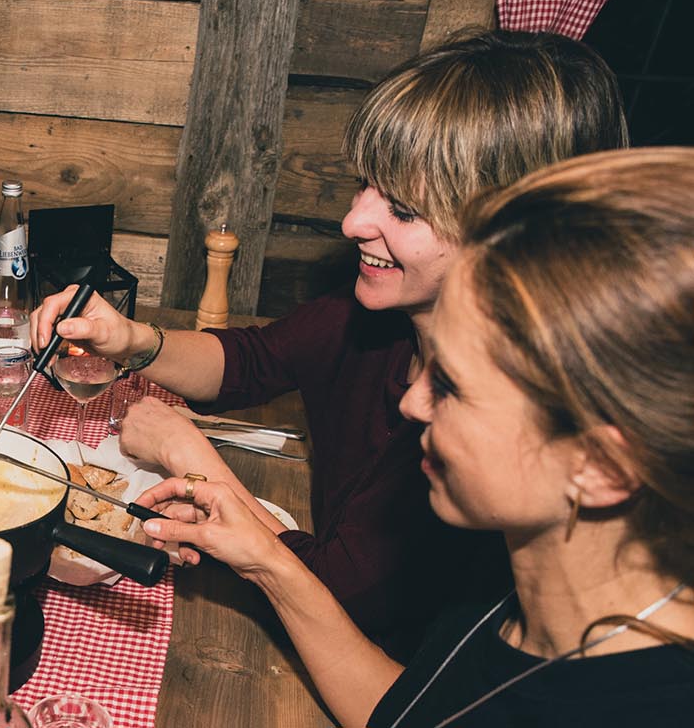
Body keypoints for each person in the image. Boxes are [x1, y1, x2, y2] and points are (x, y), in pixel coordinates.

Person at [31, 30, 628, 655]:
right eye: (363, 186)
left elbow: (340, 596)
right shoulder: (375, 314)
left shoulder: (496, 427)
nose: (352, 223)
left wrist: (190, 455)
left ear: (515, 233)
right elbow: (253, 362)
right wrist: (133, 339)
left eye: (401, 209)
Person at [136, 147, 694, 727]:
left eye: (451, 383)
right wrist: (268, 563)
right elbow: (408, 711)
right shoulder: (519, 590)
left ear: (601, 465)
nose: (410, 400)